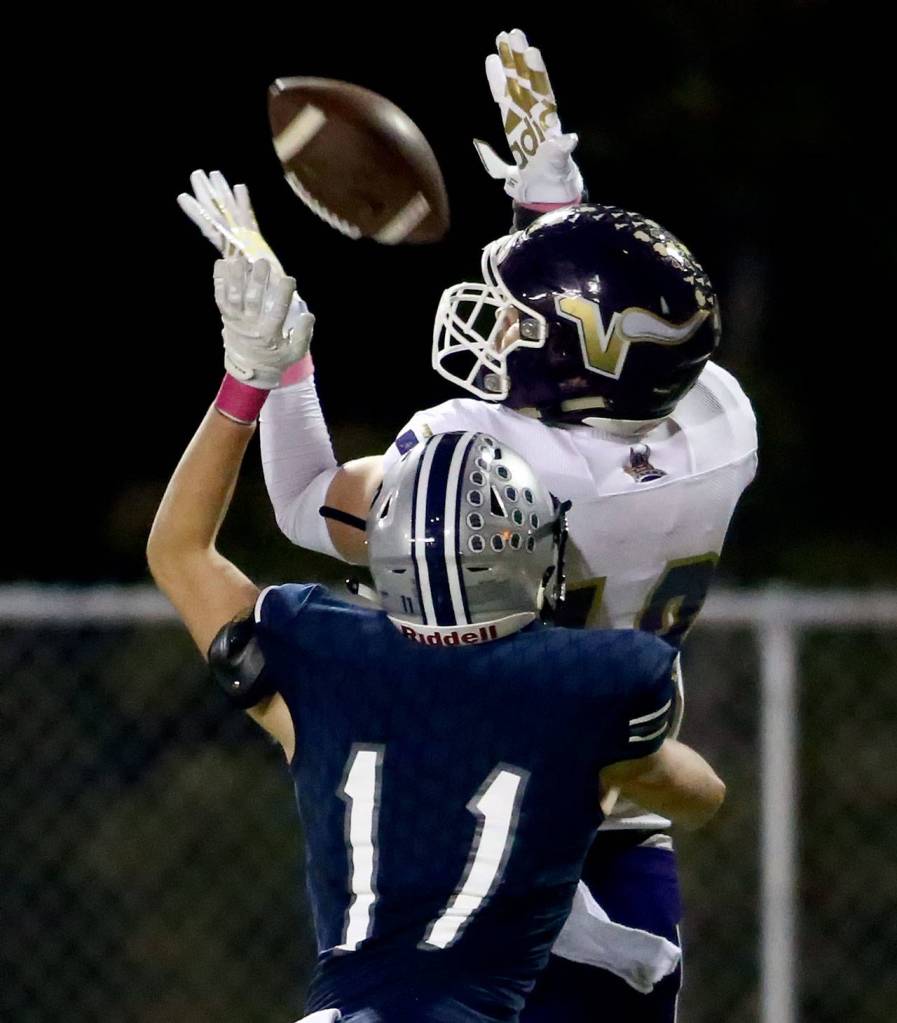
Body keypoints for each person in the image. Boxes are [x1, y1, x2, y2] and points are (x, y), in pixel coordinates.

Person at [177, 29, 756, 1020]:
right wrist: (553, 203)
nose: (495, 327)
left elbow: (305, 497)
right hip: (621, 827)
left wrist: (276, 362)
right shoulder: (719, 424)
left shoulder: (488, 458)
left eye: (518, 323)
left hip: (474, 820)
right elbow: (611, 365)